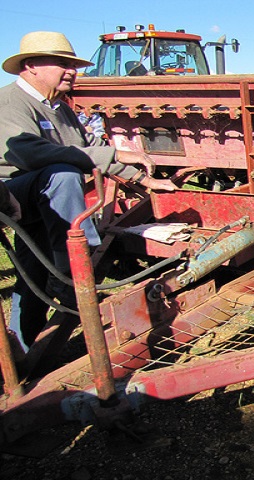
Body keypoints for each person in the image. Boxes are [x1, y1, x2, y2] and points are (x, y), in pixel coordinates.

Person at [0, 31, 177, 352]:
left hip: (50, 201)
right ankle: (74, 271)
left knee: (32, 273)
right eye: (62, 63)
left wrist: (143, 180)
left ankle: (24, 352)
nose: (71, 70)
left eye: (73, 64)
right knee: (63, 173)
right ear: (31, 66)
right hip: (17, 196)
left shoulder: (60, 108)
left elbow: (90, 147)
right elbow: (30, 154)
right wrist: (118, 154)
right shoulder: (9, 102)